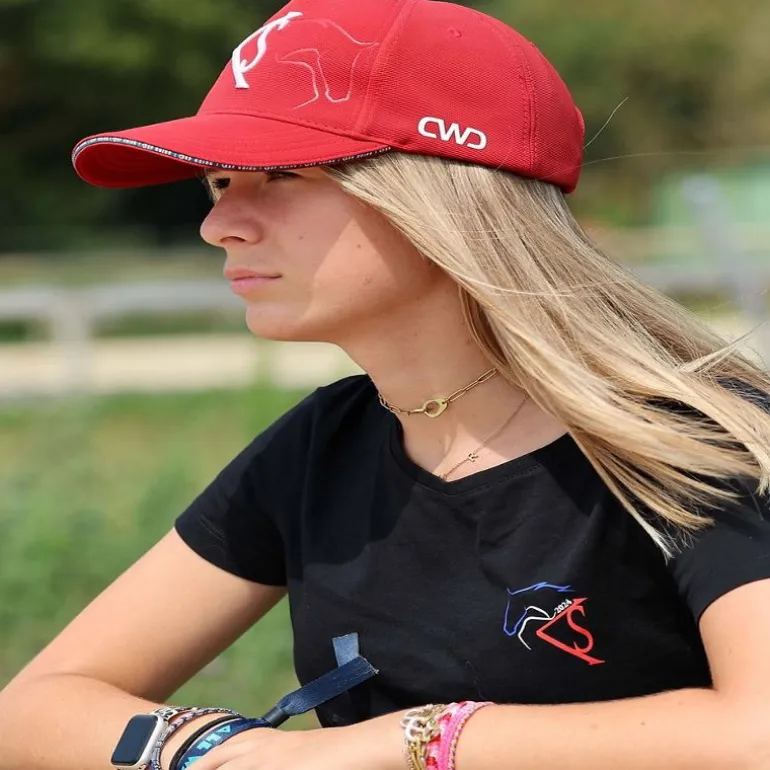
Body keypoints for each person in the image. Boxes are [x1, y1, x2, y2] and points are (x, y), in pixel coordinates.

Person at [2, 0, 770, 768]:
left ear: (439, 196)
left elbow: (756, 733)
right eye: (220, 181)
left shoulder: (702, 441)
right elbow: (34, 710)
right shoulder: (322, 449)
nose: (219, 225)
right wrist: (231, 754)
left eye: (279, 176)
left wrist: (410, 741)